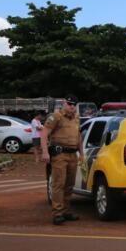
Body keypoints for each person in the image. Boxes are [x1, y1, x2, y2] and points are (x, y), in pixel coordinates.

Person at [40, 95, 83, 225]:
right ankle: (57, 213)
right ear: (64, 104)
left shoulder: (76, 117)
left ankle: (65, 211)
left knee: (69, 184)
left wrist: (81, 154)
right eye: (69, 104)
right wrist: (45, 152)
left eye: (74, 104)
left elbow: (79, 136)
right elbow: (44, 133)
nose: (72, 107)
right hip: (59, 155)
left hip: (72, 155)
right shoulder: (56, 116)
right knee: (59, 184)